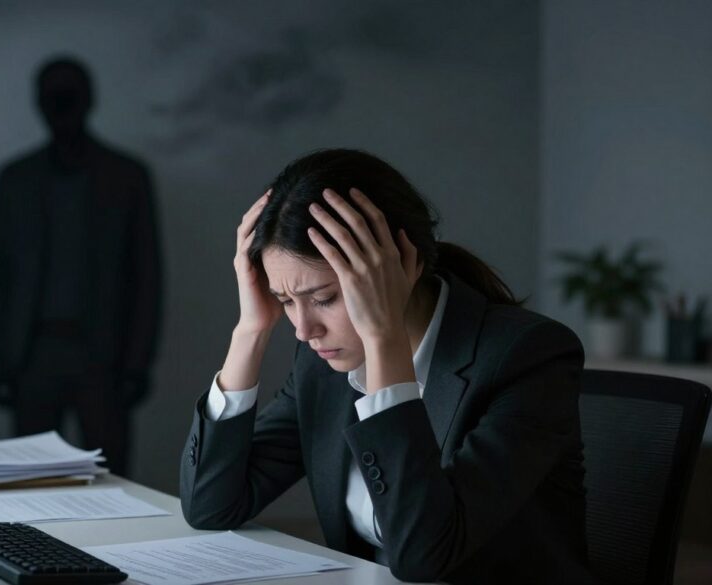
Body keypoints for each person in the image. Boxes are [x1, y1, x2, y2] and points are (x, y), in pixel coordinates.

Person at [179, 149, 594, 584]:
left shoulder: (529, 356)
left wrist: (383, 340)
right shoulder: (324, 366)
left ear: (396, 265)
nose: (303, 330)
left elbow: (424, 556)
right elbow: (211, 506)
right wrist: (251, 330)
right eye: (286, 301)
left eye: (324, 299)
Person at [0, 57, 161, 476]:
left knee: (111, 476)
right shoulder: (15, 179)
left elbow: (147, 277)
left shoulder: (127, 177)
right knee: (30, 478)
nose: (61, 105)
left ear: (89, 100)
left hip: (104, 354)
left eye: (69, 95)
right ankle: (31, 546)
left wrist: (137, 363)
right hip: (32, 354)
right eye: (52, 97)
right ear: (39, 104)